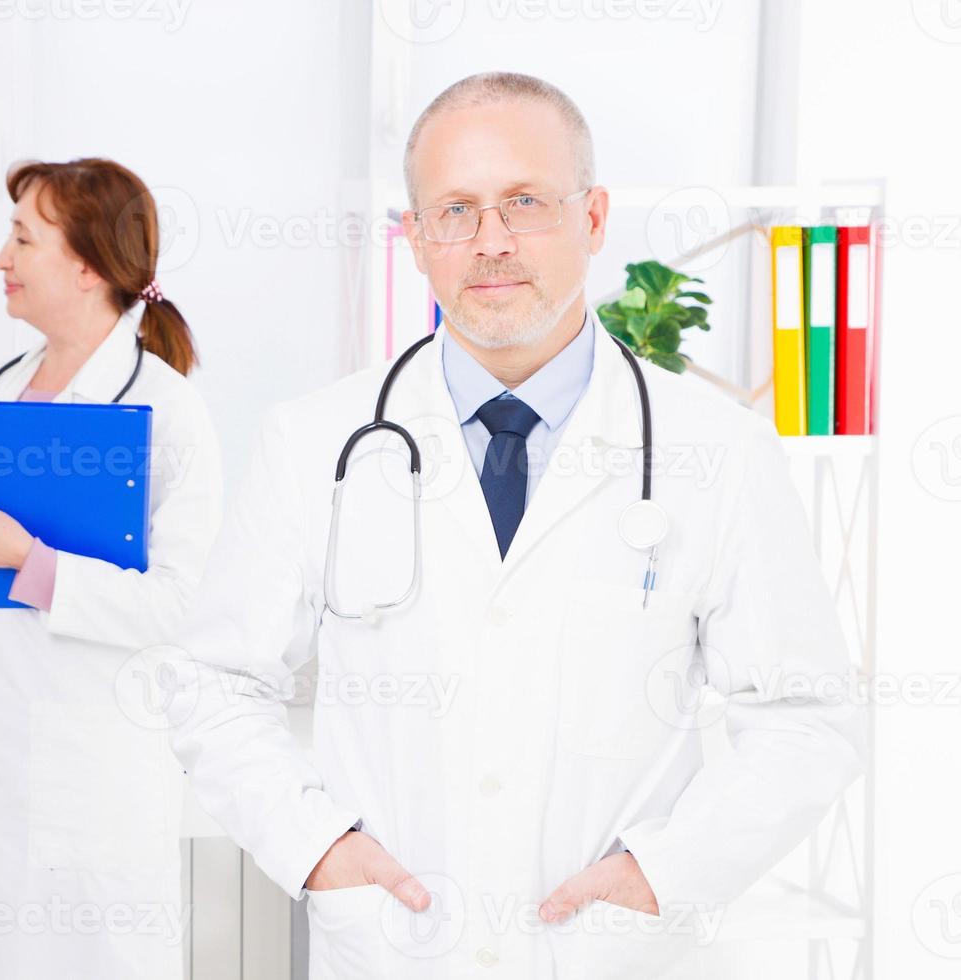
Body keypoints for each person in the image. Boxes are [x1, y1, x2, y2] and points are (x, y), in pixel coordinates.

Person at [167, 72, 864, 979]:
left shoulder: (717, 450)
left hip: (607, 954)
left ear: (596, 217)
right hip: (392, 944)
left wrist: (665, 873)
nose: (489, 242)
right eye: (454, 210)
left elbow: (808, 719)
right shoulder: (313, 441)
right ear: (415, 240)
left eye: (525, 202)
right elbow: (215, 685)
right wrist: (317, 848)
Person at [0, 157, 223, 979]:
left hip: (89, 782)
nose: (2, 258)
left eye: (22, 238)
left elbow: (182, 606)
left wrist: (33, 564)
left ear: (87, 264)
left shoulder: (167, 409)